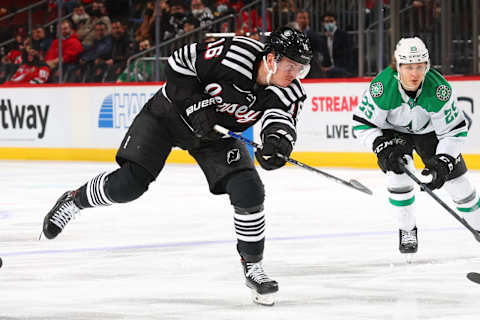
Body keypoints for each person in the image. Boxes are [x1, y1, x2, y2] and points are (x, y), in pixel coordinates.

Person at [42, 26, 312, 306]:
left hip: (215, 136)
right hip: (167, 116)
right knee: (128, 186)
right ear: (271, 58)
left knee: (249, 190)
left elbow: (281, 123)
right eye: (291, 66)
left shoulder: (290, 92)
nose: (295, 75)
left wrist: (276, 146)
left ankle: (253, 267)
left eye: (301, 69)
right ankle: (74, 201)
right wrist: (197, 104)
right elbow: (178, 62)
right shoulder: (234, 54)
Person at [352, 37, 480, 255]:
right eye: (409, 67)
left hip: (430, 133)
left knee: (458, 184)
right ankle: (407, 228)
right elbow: (362, 125)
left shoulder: (439, 89)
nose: (414, 74)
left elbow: (455, 131)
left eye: (420, 67)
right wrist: (380, 145)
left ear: (427, 66)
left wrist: (445, 159)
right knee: (398, 175)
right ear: (398, 66)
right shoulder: (382, 87)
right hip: (394, 132)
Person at [319, 12, 353, 78]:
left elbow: (348, 55)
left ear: (335, 22)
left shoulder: (343, 35)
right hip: (328, 72)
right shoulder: (323, 38)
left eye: (331, 21)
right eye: (326, 21)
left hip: (342, 70)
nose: (329, 23)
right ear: (323, 23)